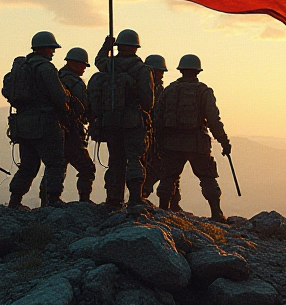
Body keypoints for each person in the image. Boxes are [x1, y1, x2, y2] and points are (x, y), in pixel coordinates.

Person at [154, 54, 232, 222]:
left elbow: (158, 118)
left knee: (168, 176)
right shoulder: (203, 91)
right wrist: (224, 141)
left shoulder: (169, 90)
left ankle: (163, 210)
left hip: (172, 142)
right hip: (197, 143)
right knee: (207, 176)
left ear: (181, 70)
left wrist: (160, 141)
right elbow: (213, 120)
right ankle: (217, 214)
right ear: (197, 71)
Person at [7, 31, 70, 209]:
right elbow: (59, 96)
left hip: (23, 124)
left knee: (27, 165)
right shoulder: (45, 68)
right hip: (45, 123)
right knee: (55, 162)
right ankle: (52, 199)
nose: (53, 51)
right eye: (52, 48)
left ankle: (15, 200)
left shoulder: (22, 68)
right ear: (44, 48)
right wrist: (66, 111)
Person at [94, 29, 154, 209]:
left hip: (111, 120)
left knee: (115, 159)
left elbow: (98, 61)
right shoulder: (142, 70)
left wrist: (106, 45)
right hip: (132, 120)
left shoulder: (109, 65)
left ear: (118, 46)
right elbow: (148, 101)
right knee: (134, 158)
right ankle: (135, 198)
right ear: (136, 47)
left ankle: (113, 198)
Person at [141, 54, 182, 209]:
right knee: (152, 169)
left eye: (161, 72)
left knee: (170, 170)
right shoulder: (145, 89)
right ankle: (142, 196)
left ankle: (174, 203)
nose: (161, 74)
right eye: (158, 71)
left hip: (161, 136)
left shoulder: (161, 91)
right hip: (148, 136)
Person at [56, 47, 96, 202]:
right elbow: (83, 108)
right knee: (87, 168)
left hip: (54, 129)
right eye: (84, 65)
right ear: (75, 64)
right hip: (72, 131)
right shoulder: (76, 83)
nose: (85, 68)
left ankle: (50, 199)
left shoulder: (56, 77)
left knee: (57, 165)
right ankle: (84, 200)